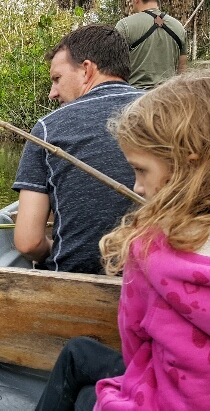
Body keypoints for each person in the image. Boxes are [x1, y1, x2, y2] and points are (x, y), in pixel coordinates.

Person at [37, 62, 210, 410]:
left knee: (83, 370)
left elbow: (136, 358)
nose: (137, 186)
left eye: (141, 170)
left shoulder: (150, 253)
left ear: (190, 164)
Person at [12, 24, 141, 274]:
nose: (52, 93)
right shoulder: (172, 114)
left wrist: (54, 246)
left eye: (57, 79)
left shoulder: (48, 129)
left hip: (77, 281)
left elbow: (28, 243)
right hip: (156, 280)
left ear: (86, 69)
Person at [116, 0, 187, 90]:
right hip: (167, 96)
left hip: (135, 99)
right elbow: (182, 68)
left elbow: (114, 67)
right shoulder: (179, 27)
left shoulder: (125, 26)